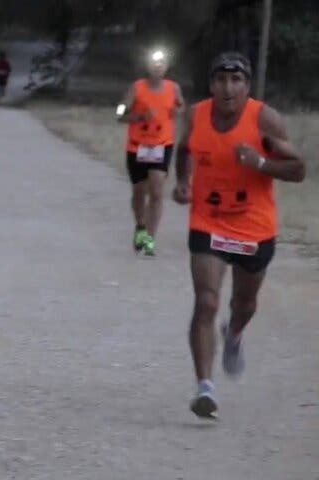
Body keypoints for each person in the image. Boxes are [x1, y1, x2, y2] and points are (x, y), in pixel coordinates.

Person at [173, 52, 305, 420]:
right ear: (211, 83)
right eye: (221, 80)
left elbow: (299, 169)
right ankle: (205, 388)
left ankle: (234, 335)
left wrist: (260, 163)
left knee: (243, 306)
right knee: (206, 300)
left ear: (247, 86)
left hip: (253, 227)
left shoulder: (265, 118)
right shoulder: (197, 114)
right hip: (208, 221)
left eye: (236, 81)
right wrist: (183, 182)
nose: (228, 88)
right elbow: (185, 149)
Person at [117, 49, 185, 256]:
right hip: (137, 146)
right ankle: (140, 225)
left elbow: (182, 106)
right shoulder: (137, 88)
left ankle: (149, 238)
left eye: (162, 62)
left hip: (162, 145)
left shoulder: (173, 88)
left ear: (166, 66)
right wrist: (136, 116)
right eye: (154, 62)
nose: (158, 66)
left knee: (156, 190)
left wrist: (177, 111)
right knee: (139, 191)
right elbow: (119, 111)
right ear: (148, 66)